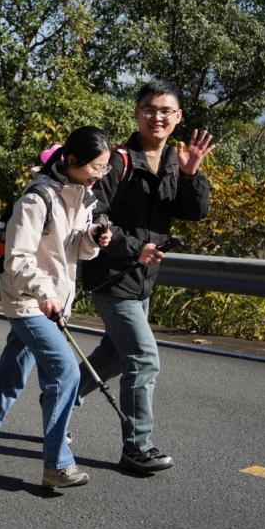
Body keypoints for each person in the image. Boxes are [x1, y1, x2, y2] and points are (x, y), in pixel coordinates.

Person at [0, 126, 114, 489]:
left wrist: (92, 238)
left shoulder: (81, 196)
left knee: (13, 369)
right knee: (66, 372)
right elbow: (18, 259)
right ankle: (58, 464)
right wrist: (44, 294)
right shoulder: (36, 199)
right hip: (29, 302)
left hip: (53, 301)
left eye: (104, 168)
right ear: (72, 160)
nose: (100, 175)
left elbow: (74, 250)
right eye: (96, 167)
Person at [81, 79, 214, 474]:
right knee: (143, 358)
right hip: (111, 274)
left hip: (144, 277)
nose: (158, 117)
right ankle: (137, 447)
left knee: (115, 355)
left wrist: (191, 175)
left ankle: (60, 397)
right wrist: (133, 247)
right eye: (150, 109)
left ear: (178, 117)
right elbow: (94, 215)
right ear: (137, 113)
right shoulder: (118, 161)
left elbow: (195, 212)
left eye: (166, 111)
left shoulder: (175, 159)